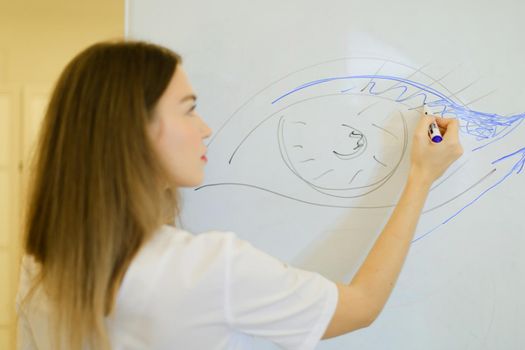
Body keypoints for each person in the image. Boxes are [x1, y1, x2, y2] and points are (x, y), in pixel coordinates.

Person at [16, 40, 463, 350]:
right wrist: (421, 177)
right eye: (189, 109)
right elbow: (361, 306)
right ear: (135, 129)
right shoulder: (208, 269)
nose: (206, 128)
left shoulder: (41, 268)